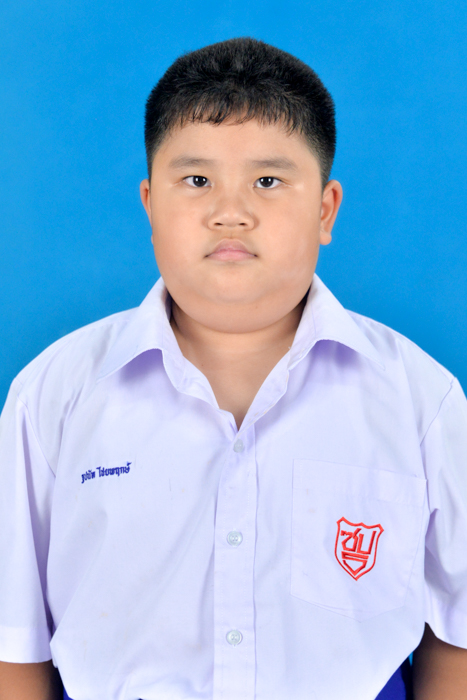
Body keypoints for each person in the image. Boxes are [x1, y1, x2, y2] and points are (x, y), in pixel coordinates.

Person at [0, 37, 466, 700]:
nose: (230, 213)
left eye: (267, 182)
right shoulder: (54, 394)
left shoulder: (419, 400)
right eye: (196, 181)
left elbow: (457, 633)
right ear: (149, 204)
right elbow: (14, 645)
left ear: (325, 209)